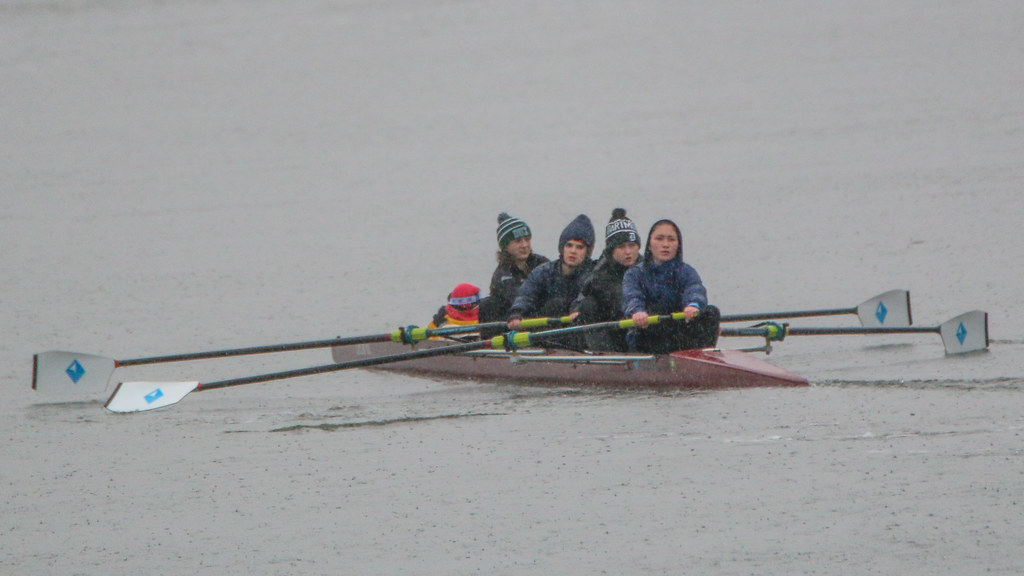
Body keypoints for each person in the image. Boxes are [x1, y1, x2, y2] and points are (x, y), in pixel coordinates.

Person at [621, 219, 720, 353]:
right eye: (659, 239)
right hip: (648, 335)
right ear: (649, 245)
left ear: (678, 245)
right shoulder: (634, 274)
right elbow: (631, 296)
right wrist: (637, 312)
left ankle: (703, 357)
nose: (665, 245)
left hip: (679, 335)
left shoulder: (686, 271)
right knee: (656, 309)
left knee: (711, 312)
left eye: (671, 239)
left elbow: (694, 289)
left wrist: (693, 304)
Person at [507, 214, 596, 350]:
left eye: (580, 247)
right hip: (547, 331)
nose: (573, 251)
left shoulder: (593, 274)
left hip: (577, 330)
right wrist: (517, 314)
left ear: (587, 252)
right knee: (553, 305)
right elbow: (526, 295)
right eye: (569, 245)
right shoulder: (543, 271)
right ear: (562, 248)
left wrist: (578, 310)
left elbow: (585, 297)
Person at [570, 208, 642, 352]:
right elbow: (582, 297)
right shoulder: (599, 274)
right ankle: (605, 356)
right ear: (611, 250)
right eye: (621, 247)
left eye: (632, 246)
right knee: (588, 306)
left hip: (642, 326)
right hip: (613, 333)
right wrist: (577, 310)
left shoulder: (647, 269)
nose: (628, 252)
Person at [477, 213, 550, 325]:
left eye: (527, 239)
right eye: (518, 241)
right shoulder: (502, 274)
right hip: (514, 320)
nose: (524, 245)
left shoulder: (542, 263)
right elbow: (517, 298)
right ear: (505, 246)